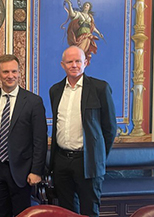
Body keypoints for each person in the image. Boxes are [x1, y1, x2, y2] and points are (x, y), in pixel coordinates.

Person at [49, 46, 117, 217]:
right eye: (69, 61)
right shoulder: (55, 90)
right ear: (62, 65)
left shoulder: (100, 88)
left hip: (88, 161)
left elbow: (109, 129)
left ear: (85, 63)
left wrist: (98, 155)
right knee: (66, 211)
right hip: (62, 161)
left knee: (89, 211)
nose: (74, 65)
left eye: (78, 61)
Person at [0, 54, 48, 217]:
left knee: (21, 214)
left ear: (19, 73)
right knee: (0, 212)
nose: (10, 76)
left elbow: (40, 139)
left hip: (22, 171)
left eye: (14, 71)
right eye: (5, 72)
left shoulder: (33, 101)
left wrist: (36, 171)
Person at [62, 0, 103, 65]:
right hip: (81, 36)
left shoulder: (90, 17)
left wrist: (99, 33)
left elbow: (92, 27)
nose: (86, 6)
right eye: (85, 5)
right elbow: (72, 15)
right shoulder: (79, 14)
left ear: (89, 8)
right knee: (79, 50)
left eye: (87, 5)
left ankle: (80, 63)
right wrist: (69, 5)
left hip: (88, 37)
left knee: (83, 52)